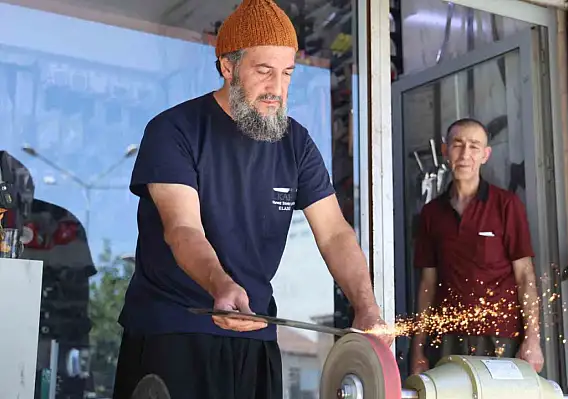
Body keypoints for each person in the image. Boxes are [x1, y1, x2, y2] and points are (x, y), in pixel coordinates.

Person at [112, 1, 392, 398]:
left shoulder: (296, 143)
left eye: (287, 74)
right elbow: (182, 229)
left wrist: (365, 306)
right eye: (264, 71)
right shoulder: (173, 130)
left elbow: (334, 234)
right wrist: (221, 285)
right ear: (228, 67)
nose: (277, 88)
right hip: (174, 329)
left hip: (256, 335)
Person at [409, 118, 544, 375]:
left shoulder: (506, 205)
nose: (465, 154)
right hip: (448, 338)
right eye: (457, 145)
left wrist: (533, 340)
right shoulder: (431, 214)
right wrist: (418, 349)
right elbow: (427, 284)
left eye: (474, 146)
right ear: (445, 151)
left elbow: (525, 276)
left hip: (500, 336)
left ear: (485, 155)